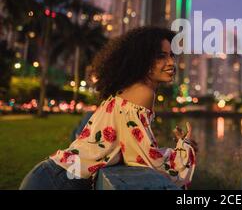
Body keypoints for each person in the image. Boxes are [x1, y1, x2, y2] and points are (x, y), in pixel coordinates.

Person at [20, 26, 197, 190]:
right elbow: (145, 158)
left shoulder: (130, 88)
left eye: (172, 55)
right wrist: (184, 150)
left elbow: (137, 148)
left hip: (52, 176)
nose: (170, 62)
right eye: (161, 56)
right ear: (142, 59)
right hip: (56, 182)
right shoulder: (142, 92)